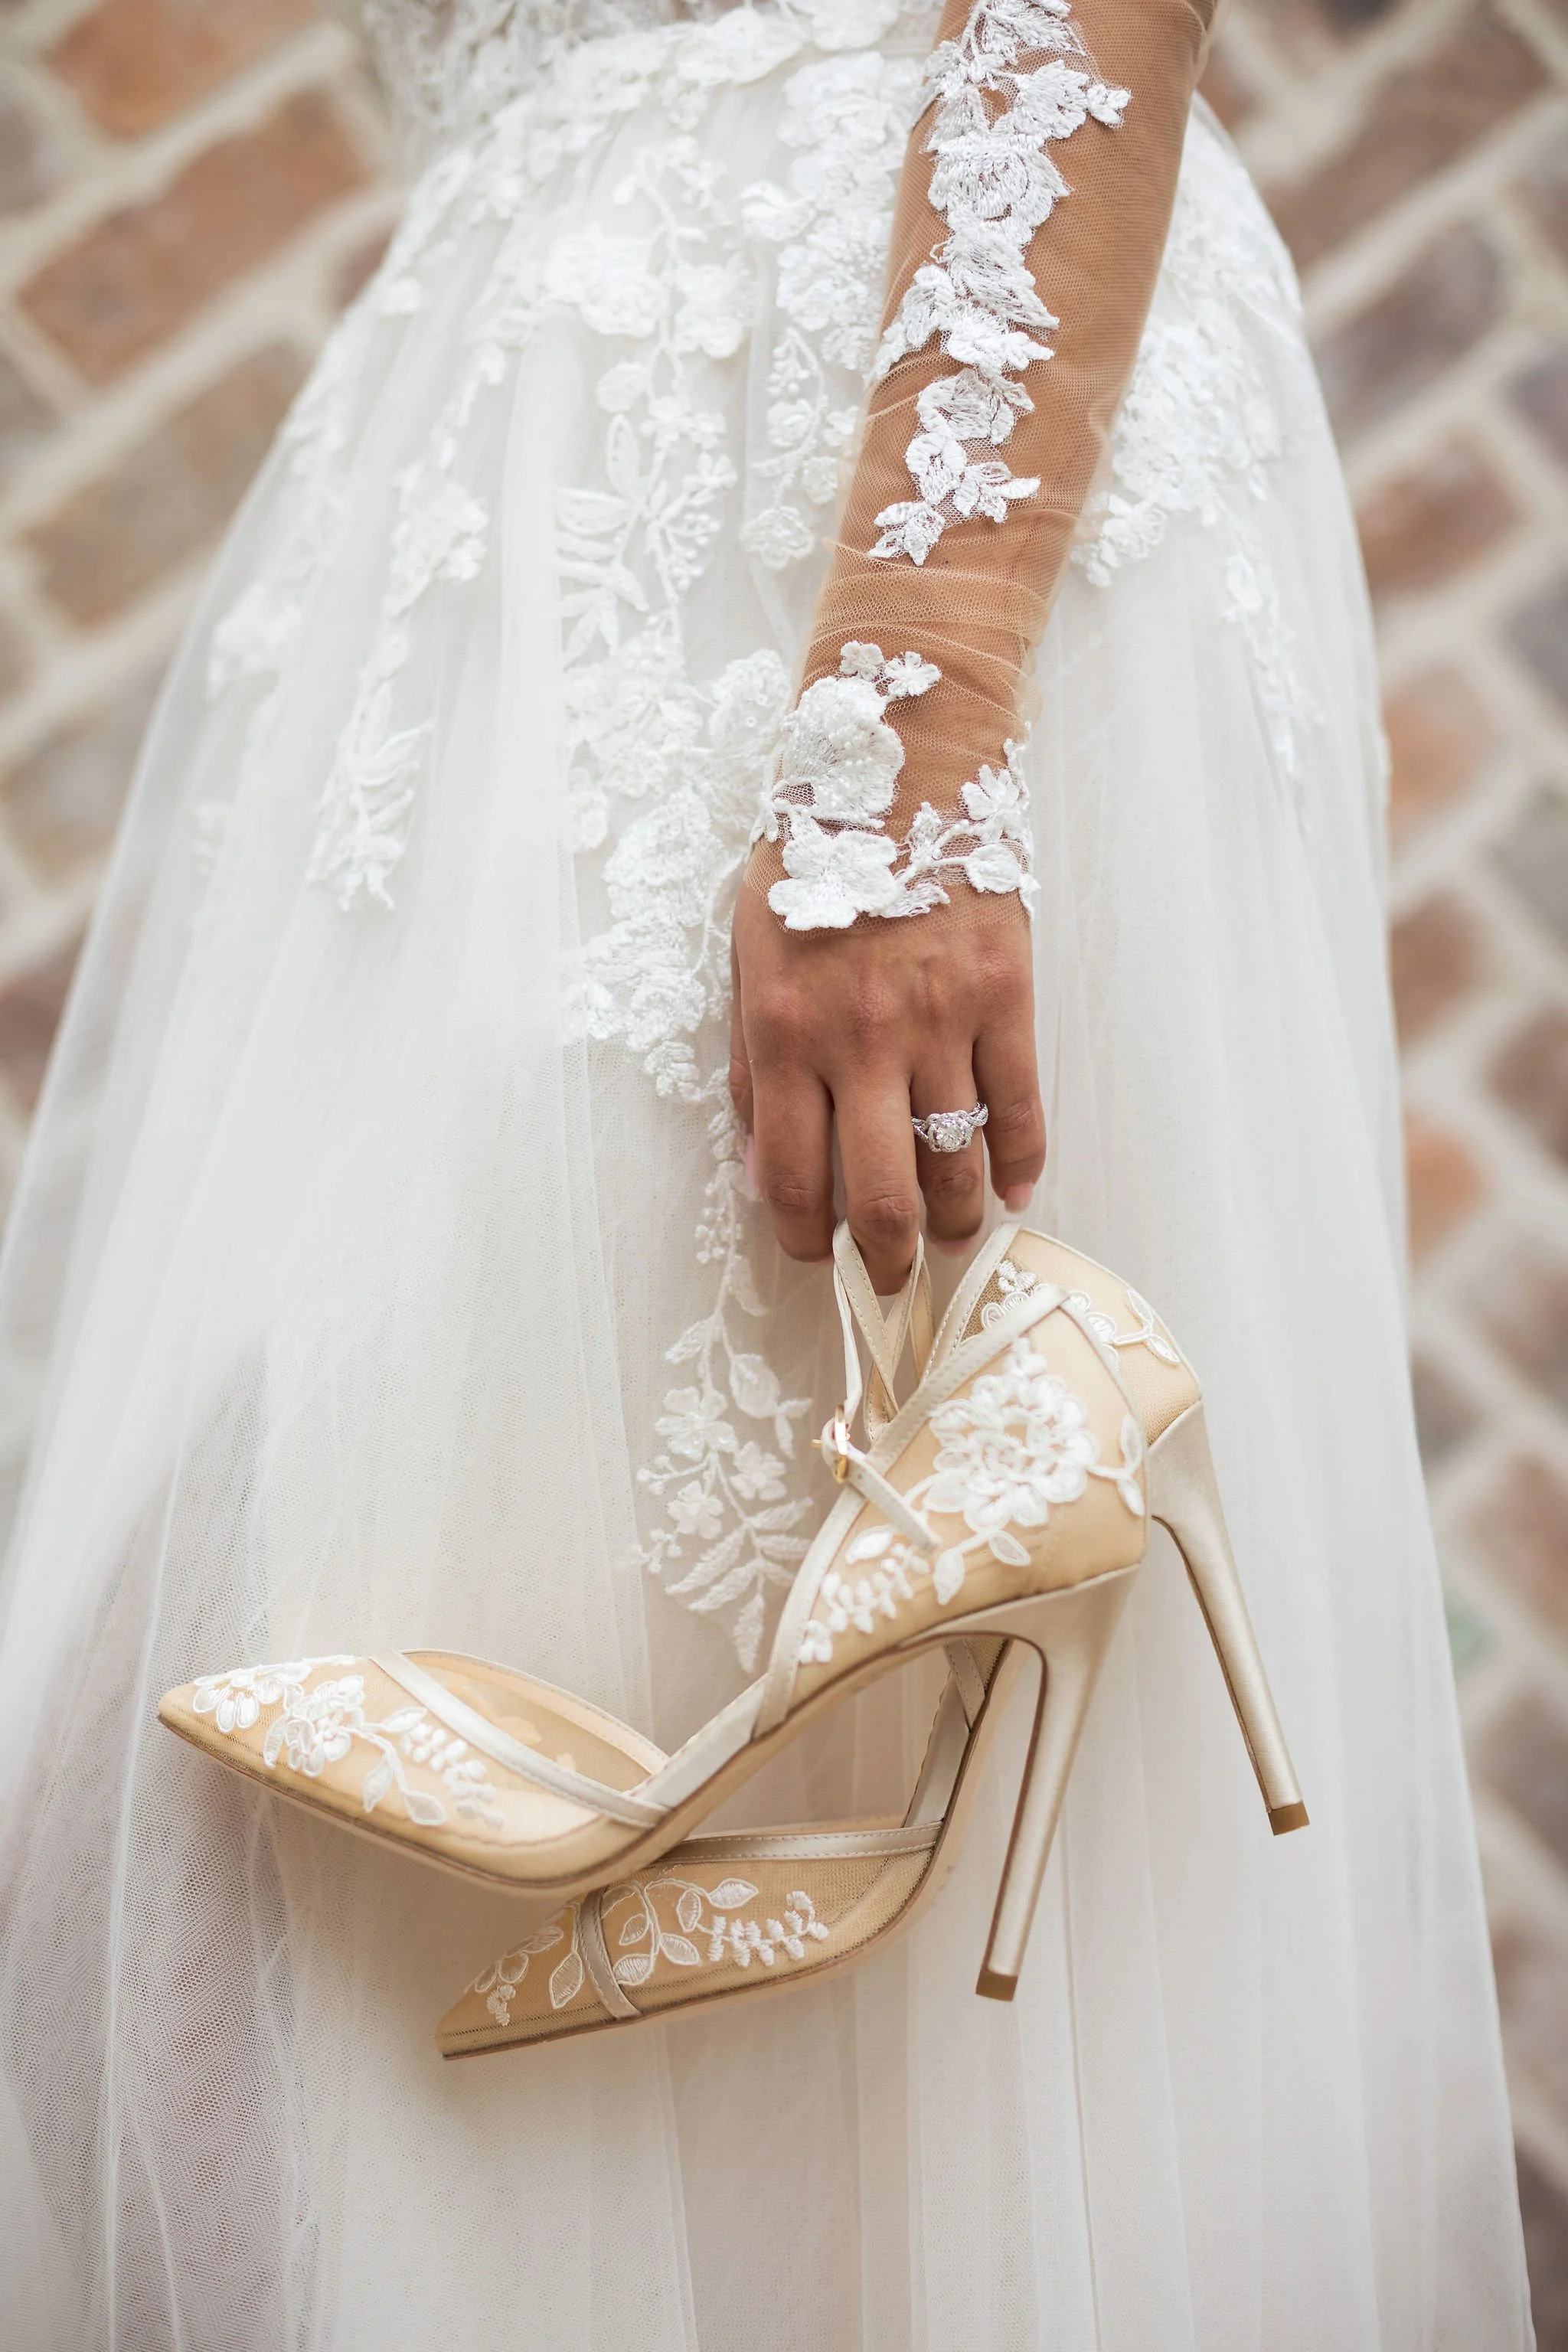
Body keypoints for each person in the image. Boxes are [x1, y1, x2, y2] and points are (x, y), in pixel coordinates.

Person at [0, 0, 1534, 2344]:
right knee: (235, 1876)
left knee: (185, 1827)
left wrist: (901, 746)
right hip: (537, 511)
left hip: (833, 491)